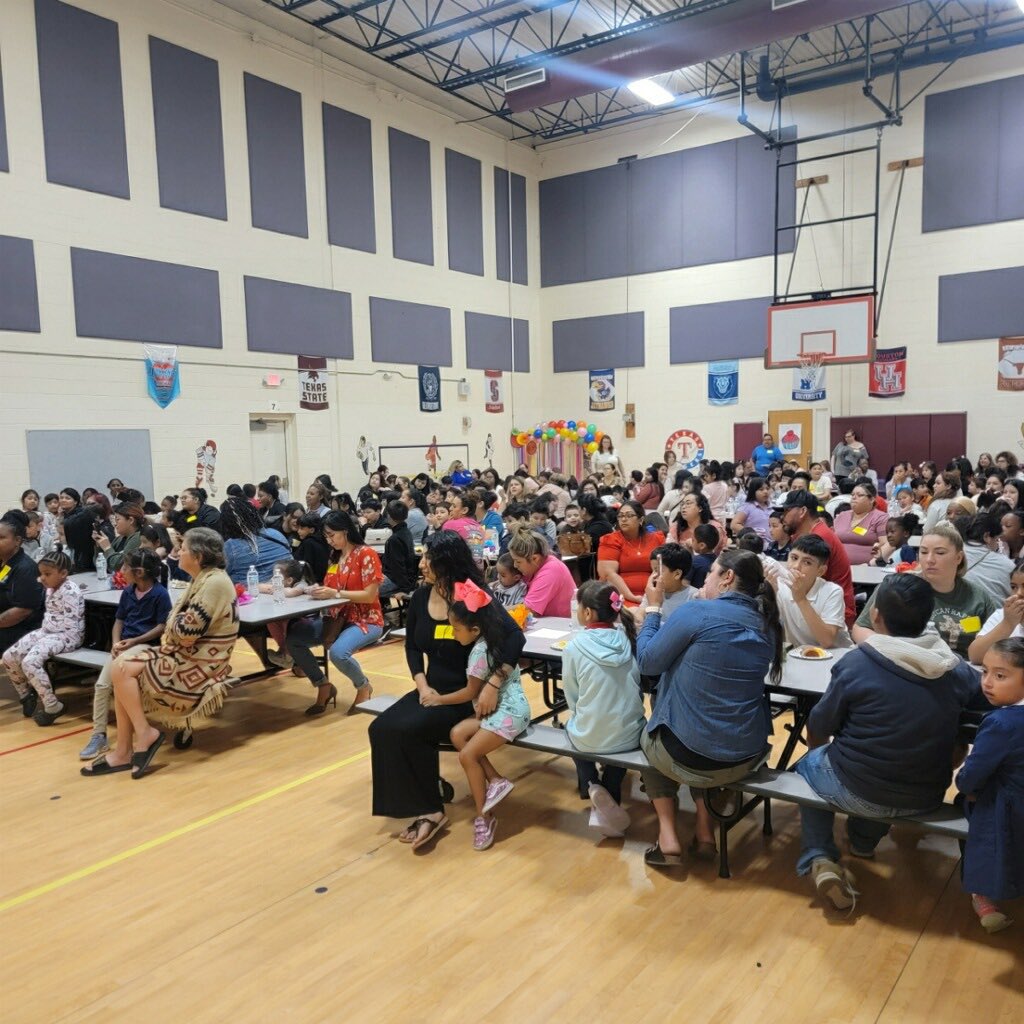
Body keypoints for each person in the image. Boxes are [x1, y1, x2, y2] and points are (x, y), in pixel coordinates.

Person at [794, 574, 979, 911]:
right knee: (884, 771)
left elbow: (820, 723)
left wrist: (823, 753)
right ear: (927, 617)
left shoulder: (858, 662)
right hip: (925, 794)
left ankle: (819, 856)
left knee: (807, 767)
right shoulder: (955, 670)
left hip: (856, 786)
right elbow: (982, 708)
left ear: (875, 615)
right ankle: (863, 842)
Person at [369, 533, 525, 850]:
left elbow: (514, 638)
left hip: (467, 695)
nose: (422, 563)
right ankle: (416, 804)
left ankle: (430, 810)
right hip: (433, 691)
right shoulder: (421, 596)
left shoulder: (471, 595)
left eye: (430, 558)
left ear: (448, 564)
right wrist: (421, 683)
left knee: (410, 729)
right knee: (381, 728)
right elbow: (412, 646)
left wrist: (493, 684)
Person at [636, 549, 781, 866]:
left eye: (711, 572)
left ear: (727, 577)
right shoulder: (766, 623)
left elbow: (648, 662)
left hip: (689, 754)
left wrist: (653, 609)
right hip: (745, 756)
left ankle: (668, 836)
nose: (704, 578)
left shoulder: (697, 612)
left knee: (650, 737)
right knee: (706, 726)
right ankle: (704, 829)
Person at [420, 581, 531, 851]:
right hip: (504, 708)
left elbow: (469, 691)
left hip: (509, 712)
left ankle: (484, 816)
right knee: (458, 734)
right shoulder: (494, 639)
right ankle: (495, 779)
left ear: (475, 629)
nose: (453, 633)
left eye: (456, 629)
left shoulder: (480, 651)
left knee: (467, 755)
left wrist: (437, 699)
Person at [562, 580, 645, 836]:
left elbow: (572, 696)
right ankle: (610, 786)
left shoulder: (575, 646)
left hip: (590, 736)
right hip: (630, 735)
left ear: (587, 613)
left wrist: (583, 713)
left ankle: (592, 785)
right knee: (625, 730)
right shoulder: (629, 638)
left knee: (572, 728)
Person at [956, 637, 1024, 933]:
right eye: (984, 672)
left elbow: (970, 777)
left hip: (1008, 808)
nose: (987, 682)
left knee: (966, 805)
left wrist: (964, 785)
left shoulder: (1001, 723)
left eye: (1000, 675)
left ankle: (980, 893)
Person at [285, 510, 384, 716]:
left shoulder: (366, 554)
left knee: (338, 653)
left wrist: (335, 593)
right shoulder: (335, 556)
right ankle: (323, 685)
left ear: (345, 531)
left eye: (332, 535)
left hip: (367, 619)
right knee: (294, 640)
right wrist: (314, 590)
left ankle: (363, 686)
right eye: (326, 536)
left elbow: (369, 595)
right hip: (336, 618)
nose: (329, 540)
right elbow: (331, 587)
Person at [78, 551, 172, 760]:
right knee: (102, 685)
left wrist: (135, 641)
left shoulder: (160, 594)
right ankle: (99, 735)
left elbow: (161, 627)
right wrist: (116, 643)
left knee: (119, 679)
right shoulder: (128, 592)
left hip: (145, 646)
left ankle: (135, 736)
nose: (121, 571)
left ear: (138, 572)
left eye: (125, 567)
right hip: (124, 647)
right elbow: (119, 621)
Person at [853, 523, 997, 658]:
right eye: (923, 552)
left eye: (940, 553)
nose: (929, 559)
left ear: (958, 557)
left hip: (960, 669)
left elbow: (995, 645)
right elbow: (860, 628)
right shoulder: (897, 588)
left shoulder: (978, 597)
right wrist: (889, 649)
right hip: (905, 664)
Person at [2, 551, 83, 725]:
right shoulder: (50, 587)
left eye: (47, 574)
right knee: (9, 656)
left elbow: (69, 627)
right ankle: (26, 695)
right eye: (41, 574)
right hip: (48, 631)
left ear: (63, 573)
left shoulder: (70, 592)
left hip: (66, 636)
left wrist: (41, 641)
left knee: (30, 662)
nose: (42, 578)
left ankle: (53, 705)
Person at [777, 490, 855, 626]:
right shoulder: (801, 534)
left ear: (802, 511)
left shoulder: (820, 536)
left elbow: (805, 581)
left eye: (786, 511)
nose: (782, 517)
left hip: (833, 610)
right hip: (815, 600)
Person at [773, 535, 852, 649]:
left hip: (836, 655)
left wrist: (801, 599)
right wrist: (768, 591)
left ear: (820, 571)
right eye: (794, 558)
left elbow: (827, 641)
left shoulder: (832, 591)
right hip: (801, 655)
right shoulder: (780, 585)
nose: (796, 566)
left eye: (807, 563)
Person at [597, 500, 666, 605]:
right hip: (619, 595)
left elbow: (663, 570)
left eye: (629, 515)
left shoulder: (656, 539)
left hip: (653, 593)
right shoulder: (611, 540)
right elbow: (607, 574)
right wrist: (631, 597)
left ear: (641, 520)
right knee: (633, 614)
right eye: (620, 516)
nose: (624, 519)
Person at [258, 559, 319, 669]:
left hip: (303, 621)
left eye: (276, 576)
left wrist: (274, 589)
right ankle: (284, 651)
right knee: (271, 621)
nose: (273, 579)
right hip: (285, 615)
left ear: (289, 580)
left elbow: (291, 593)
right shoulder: (278, 582)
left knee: (288, 622)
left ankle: (288, 654)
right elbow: (259, 586)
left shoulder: (301, 584)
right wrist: (273, 587)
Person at [216, 496, 291, 585]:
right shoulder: (277, 535)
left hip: (249, 594)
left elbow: (219, 575)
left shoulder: (230, 546)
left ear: (226, 523)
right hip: (284, 588)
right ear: (253, 514)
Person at [0, 514, 45, 657]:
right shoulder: (4, 563)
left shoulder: (25, 568)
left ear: (18, 540)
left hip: (19, 632)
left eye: (1, 538)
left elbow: (23, 610)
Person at [508, 524, 576, 617]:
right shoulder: (534, 567)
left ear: (535, 558)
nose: (515, 565)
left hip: (561, 626)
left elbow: (529, 609)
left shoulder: (551, 571)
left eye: (518, 561)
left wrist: (499, 609)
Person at [968, 563, 1024, 665]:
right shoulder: (1003, 615)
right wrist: (1008, 624)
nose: (1018, 593)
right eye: (1014, 587)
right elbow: (975, 656)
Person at [959, 513, 1016, 602]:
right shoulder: (1007, 565)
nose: (998, 544)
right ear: (987, 537)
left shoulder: (951, 554)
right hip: (995, 615)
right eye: (997, 539)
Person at [832, 478, 889, 565]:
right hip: (837, 565)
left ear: (871, 499)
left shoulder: (880, 518)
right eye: (853, 495)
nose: (854, 497)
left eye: (859, 495)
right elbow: (831, 540)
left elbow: (885, 543)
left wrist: (871, 563)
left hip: (866, 568)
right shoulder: (842, 515)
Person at [92, 501, 145, 573]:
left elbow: (118, 566)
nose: (115, 524)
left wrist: (107, 547)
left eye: (117, 519)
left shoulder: (138, 538)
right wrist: (99, 546)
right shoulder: (120, 539)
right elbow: (100, 565)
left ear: (131, 520)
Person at [380, 500, 418, 598]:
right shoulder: (406, 532)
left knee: (362, 589)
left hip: (395, 581)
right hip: (405, 578)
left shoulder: (395, 539)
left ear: (388, 515)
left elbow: (398, 567)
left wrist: (405, 589)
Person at [730, 477, 772, 542]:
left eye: (767, 489)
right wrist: (752, 533)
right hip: (753, 544)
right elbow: (734, 525)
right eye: (761, 489)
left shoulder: (771, 507)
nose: (766, 492)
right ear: (753, 491)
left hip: (771, 544)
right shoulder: (747, 507)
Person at [922, 470, 963, 534]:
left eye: (938, 483)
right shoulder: (962, 502)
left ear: (948, 486)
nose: (934, 486)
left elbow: (927, 531)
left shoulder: (936, 505)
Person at [292, 512, 329, 583]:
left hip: (311, 581)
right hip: (321, 580)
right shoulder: (322, 540)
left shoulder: (308, 542)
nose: (298, 531)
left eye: (302, 528)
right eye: (298, 528)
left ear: (312, 530)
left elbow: (307, 565)